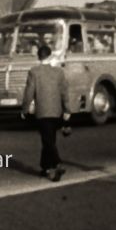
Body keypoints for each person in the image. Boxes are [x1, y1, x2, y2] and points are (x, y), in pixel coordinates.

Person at [21, 45, 71, 182]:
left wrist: (24, 109)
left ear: (38, 57)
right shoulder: (59, 72)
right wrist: (67, 110)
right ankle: (45, 167)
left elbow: (29, 93)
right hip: (56, 111)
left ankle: (57, 163)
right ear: (50, 56)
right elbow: (64, 92)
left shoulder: (34, 72)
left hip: (42, 112)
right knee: (50, 139)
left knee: (48, 141)